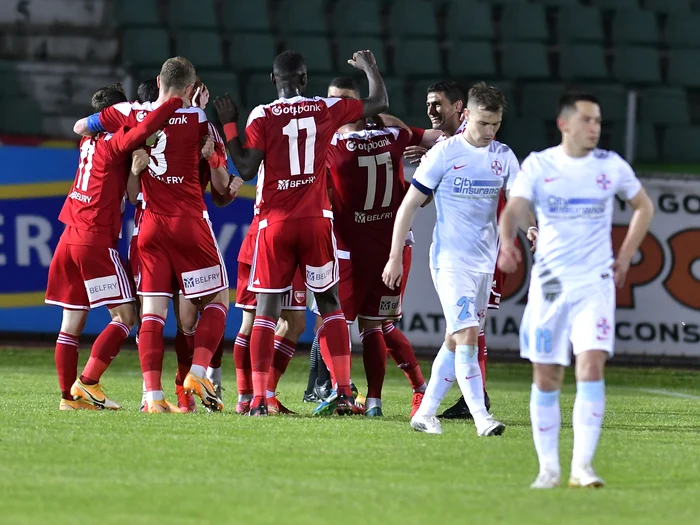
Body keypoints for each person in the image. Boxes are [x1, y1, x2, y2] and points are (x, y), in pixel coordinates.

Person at [213, 49, 388, 416]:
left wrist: (229, 124)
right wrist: (370, 68)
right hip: (316, 221)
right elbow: (379, 101)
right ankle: (342, 392)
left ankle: (259, 399)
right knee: (330, 306)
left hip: (275, 224)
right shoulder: (326, 108)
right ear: (305, 80)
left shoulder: (262, 115)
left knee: (265, 311)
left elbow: (245, 169)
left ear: (273, 80)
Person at [498, 92, 654, 489]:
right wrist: (507, 242)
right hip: (550, 285)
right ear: (564, 124)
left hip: (595, 284)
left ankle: (582, 467)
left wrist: (625, 255)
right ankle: (548, 468)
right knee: (547, 375)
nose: (595, 127)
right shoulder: (540, 164)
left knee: (591, 366)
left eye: (599, 121)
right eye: (587, 120)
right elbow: (514, 209)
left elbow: (643, 207)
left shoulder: (610, 165)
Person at [76, 57, 232, 412]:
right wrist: (204, 124)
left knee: (152, 315)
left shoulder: (130, 113)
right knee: (218, 302)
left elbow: (81, 127)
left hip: (148, 226)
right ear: (192, 89)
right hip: (189, 222)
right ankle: (198, 372)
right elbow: (222, 184)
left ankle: (154, 397)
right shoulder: (200, 120)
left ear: (159, 81)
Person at [383, 82, 530, 436]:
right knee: (466, 334)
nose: (489, 132)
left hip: (484, 263)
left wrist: (533, 230)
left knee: (455, 337)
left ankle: (425, 412)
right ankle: (483, 418)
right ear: (466, 116)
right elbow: (407, 207)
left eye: (495, 124)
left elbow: (518, 204)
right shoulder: (444, 154)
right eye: (483, 124)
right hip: (450, 262)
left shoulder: (504, 156)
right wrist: (394, 258)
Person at [46, 84, 184, 410]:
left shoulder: (86, 142)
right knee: (127, 315)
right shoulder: (115, 143)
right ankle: (88, 382)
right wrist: (172, 102)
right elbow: (145, 129)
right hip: (95, 239)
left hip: (68, 237)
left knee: (70, 324)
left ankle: (68, 398)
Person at [314, 76, 432, 417]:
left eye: (343, 101)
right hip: (390, 247)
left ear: (359, 105)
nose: (336, 106)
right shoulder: (392, 135)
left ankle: (344, 390)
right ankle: (385, 398)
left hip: (353, 250)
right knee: (377, 326)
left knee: (333, 322)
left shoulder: (330, 144)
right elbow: (433, 143)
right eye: (331, 99)